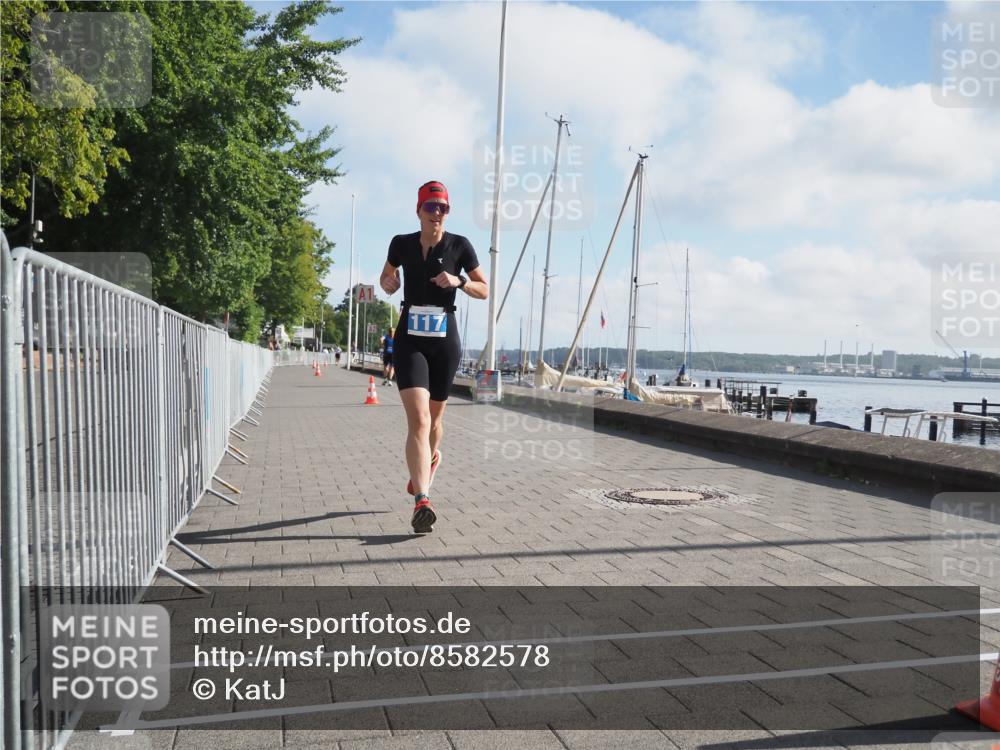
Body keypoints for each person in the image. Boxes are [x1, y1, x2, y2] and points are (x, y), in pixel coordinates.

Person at [379, 180, 488, 533]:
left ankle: (427, 464)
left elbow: (484, 289)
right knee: (420, 421)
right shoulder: (401, 243)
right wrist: (388, 283)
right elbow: (387, 275)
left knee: (435, 425)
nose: (437, 213)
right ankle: (422, 499)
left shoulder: (460, 246)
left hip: (445, 341)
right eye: (431, 207)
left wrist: (459, 282)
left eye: (443, 207)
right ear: (419, 210)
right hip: (410, 337)